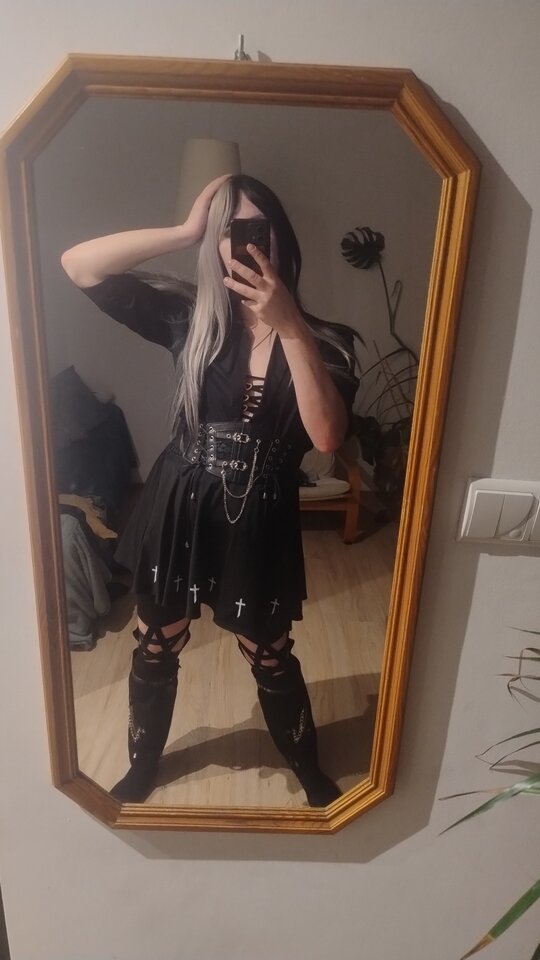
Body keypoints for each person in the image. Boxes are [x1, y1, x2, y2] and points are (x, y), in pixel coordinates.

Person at [61, 173, 360, 807]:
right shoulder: (189, 317)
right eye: (228, 230)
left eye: (256, 227)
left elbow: (327, 437)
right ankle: (142, 768)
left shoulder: (329, 341)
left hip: (260, 515)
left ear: (280, 238)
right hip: (178, 503)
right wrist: (184, 230)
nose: (243, 240)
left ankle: (307, 768)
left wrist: (291, 328)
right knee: (156, 640)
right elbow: (79, 265)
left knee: (270, 652)